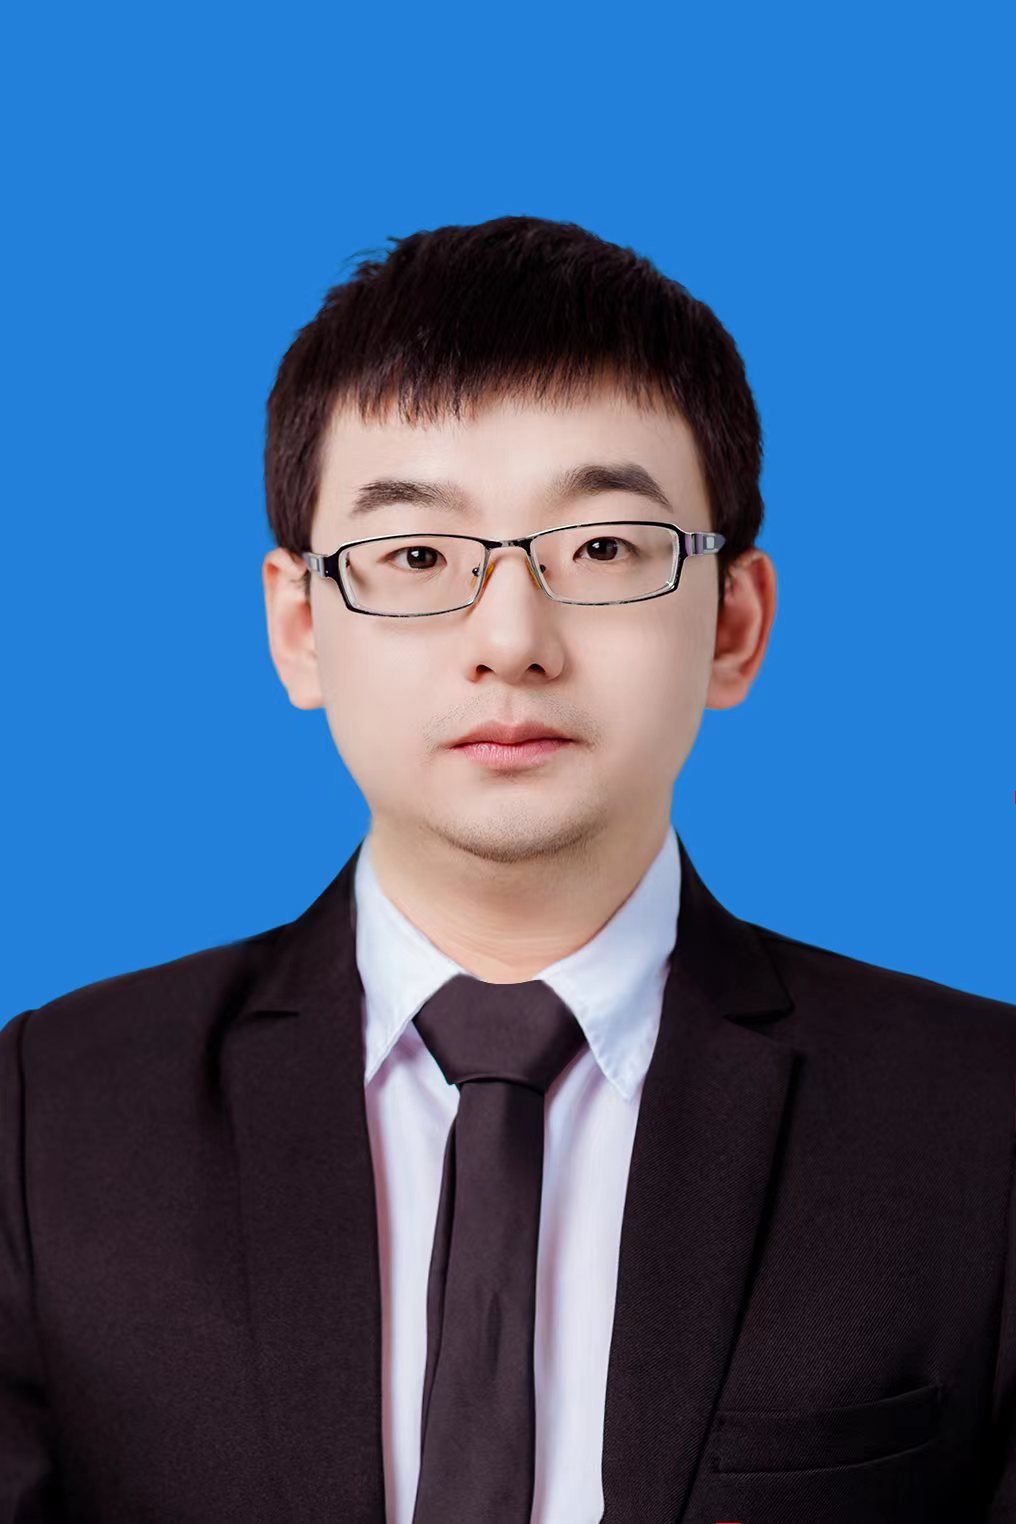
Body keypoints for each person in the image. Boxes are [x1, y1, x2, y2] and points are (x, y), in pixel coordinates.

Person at [2, 215, 1013, 1524]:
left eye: (602, 548)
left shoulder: (978, 1124)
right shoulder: (47, 1120)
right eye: (418, 556)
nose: (512, 639)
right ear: (300, 627)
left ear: (734, 623)